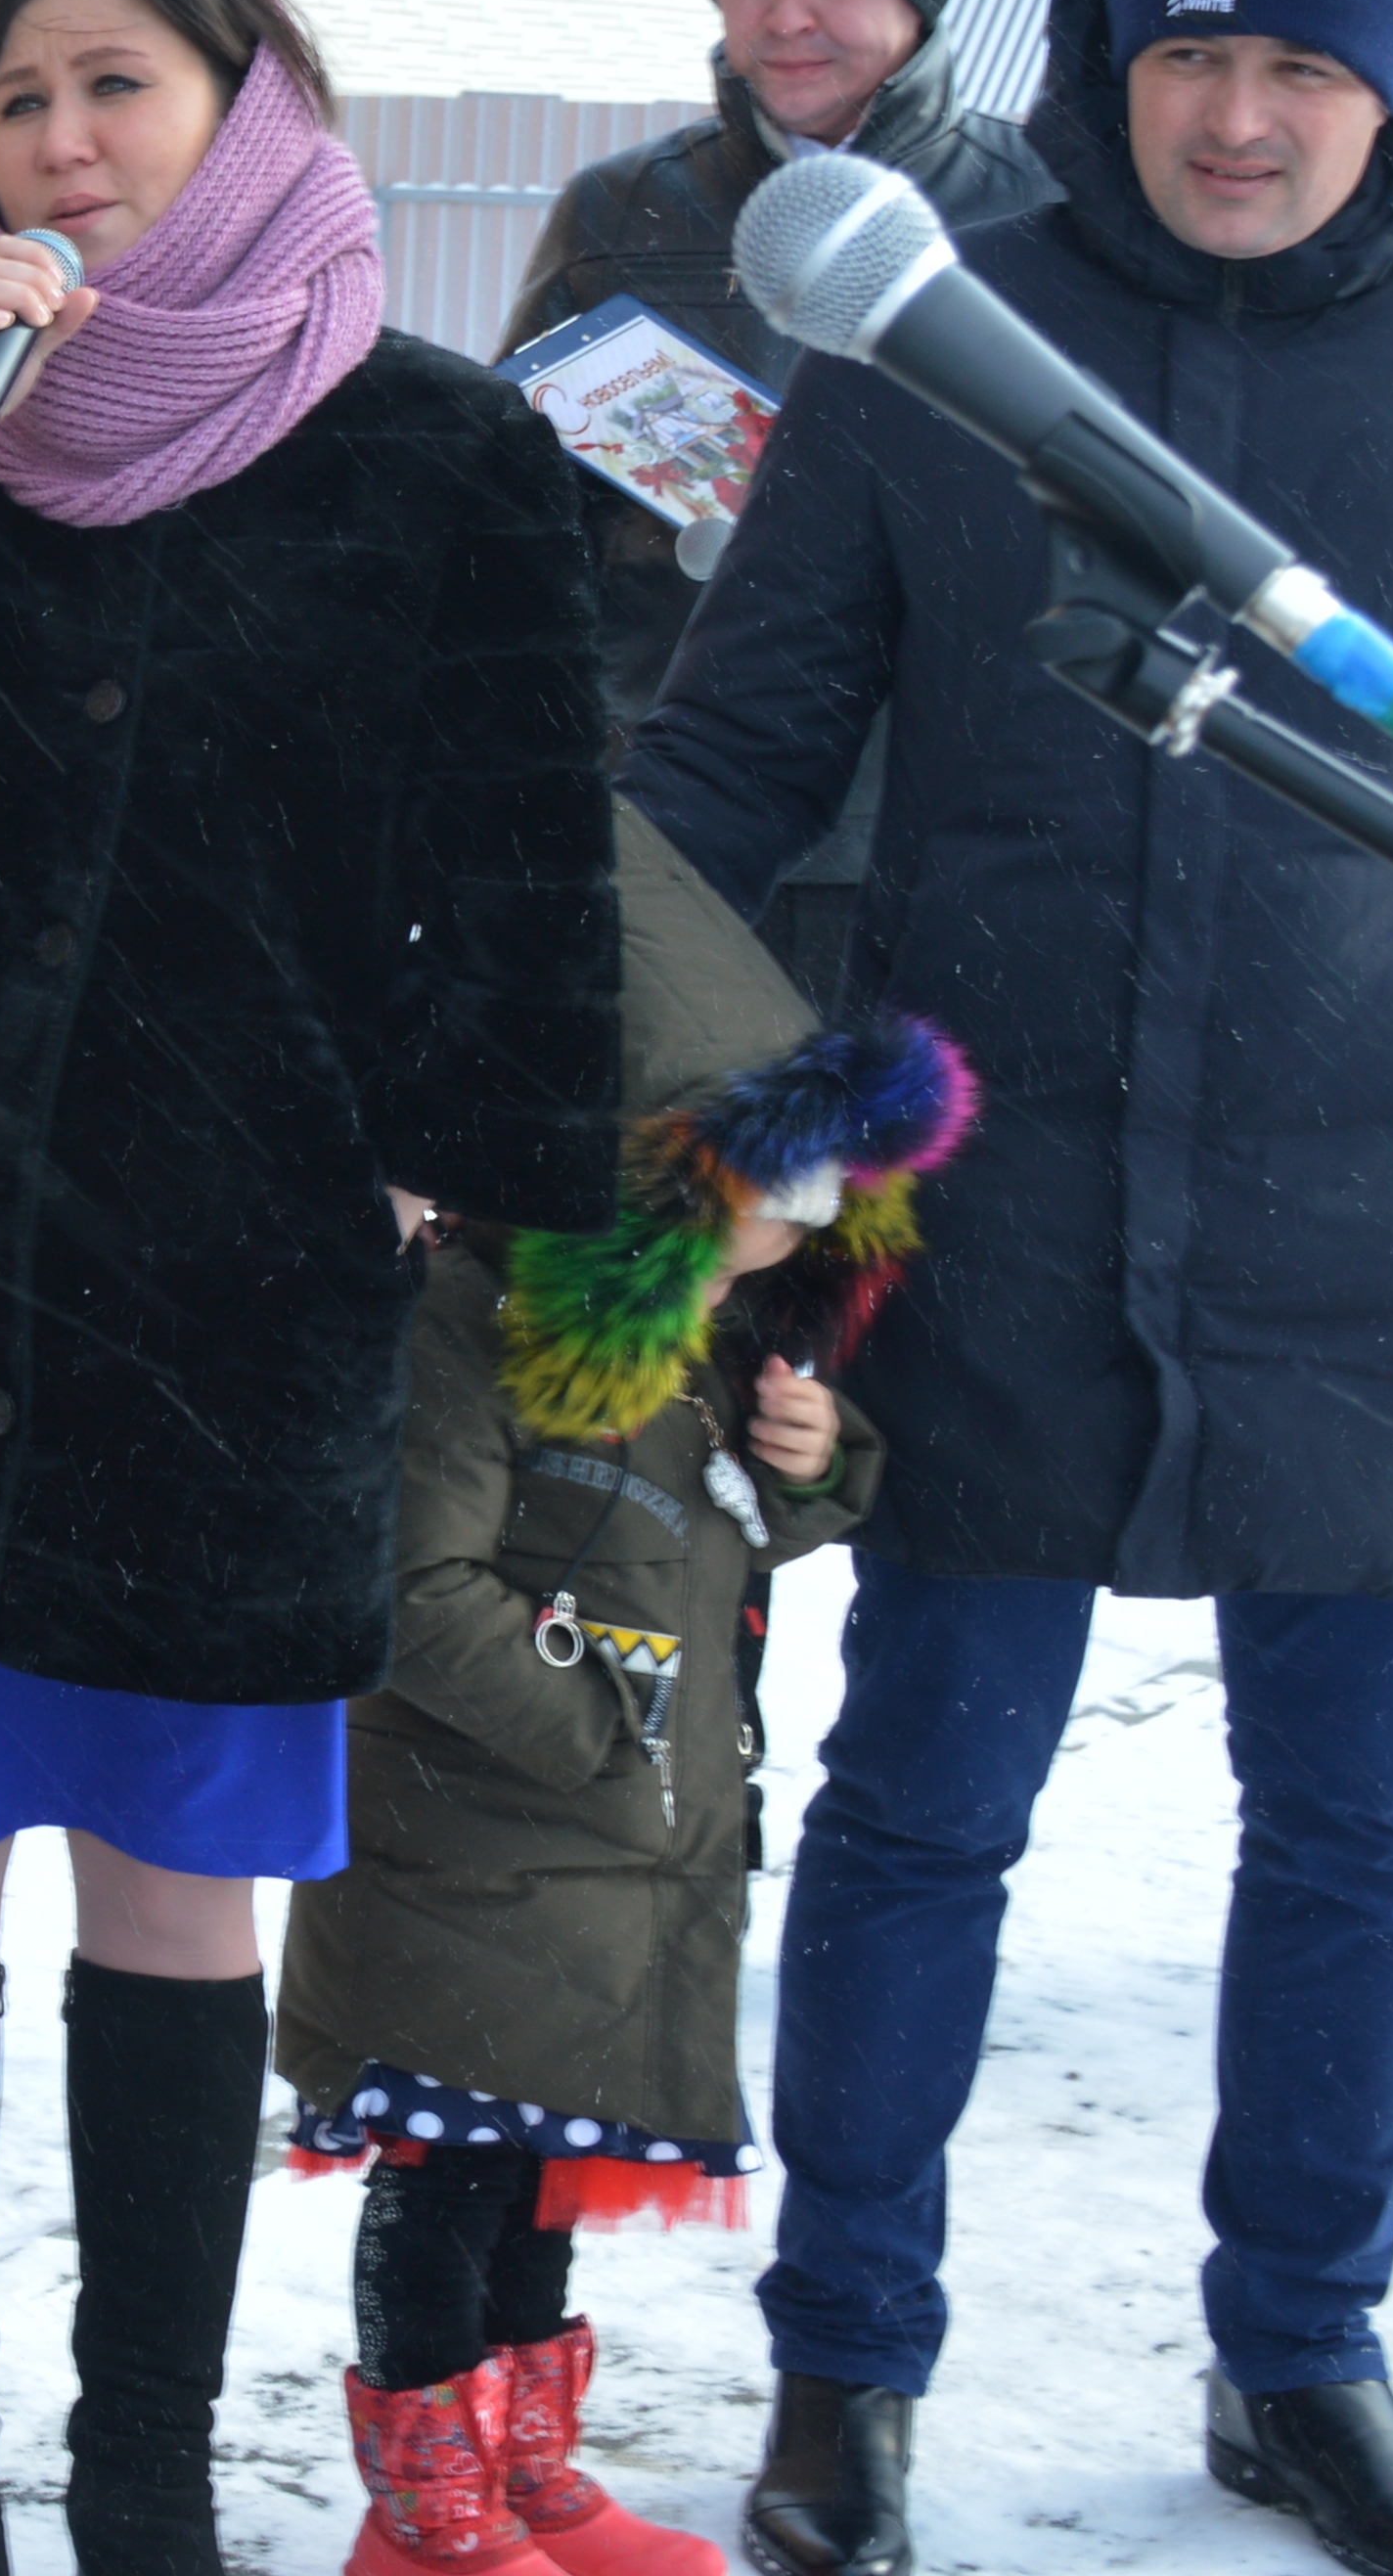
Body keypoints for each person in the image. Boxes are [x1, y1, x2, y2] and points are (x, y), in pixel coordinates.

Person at [624, 0, 1393, 2576]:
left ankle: (1305, 2357)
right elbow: (727, 768)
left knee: (1357, 1831)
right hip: (995, 1222)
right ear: (1112, 67)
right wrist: (586, 1110)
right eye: (1188, 58)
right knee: (920, 1810)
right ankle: (845, 2372)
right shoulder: (936, 362)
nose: (1236, 119)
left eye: (1301, 68)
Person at [0, 0, 616, 2576]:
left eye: (117, 85)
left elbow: (533, 868)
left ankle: (150, 2472)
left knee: (181, 1907)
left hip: (232, 1283)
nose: (62, 139)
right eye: (16, 101)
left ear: (250, 95)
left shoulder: (436, 450)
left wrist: (410, 1157)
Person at [278, 810, 964, 2576]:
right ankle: (427, 2520)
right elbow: (411, 1591)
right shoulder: (470, 1327)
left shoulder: (708, 1348)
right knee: (450, 2187)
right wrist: (598, 1737)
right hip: (472, 1856)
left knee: (536, 2193)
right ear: (644, 1179)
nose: (811, 1213)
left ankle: (521, 2474)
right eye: (776, 1175)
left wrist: (811, 1466)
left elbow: (713, 1544)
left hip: (605, 1874)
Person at [509, 0, 1052, 1000]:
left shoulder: (1041, 219)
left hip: (933, 843)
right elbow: (517, 534)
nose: (786, 12)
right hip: (674, 820)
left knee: (894, 1189)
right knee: (679, 1189)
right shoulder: (621, 216)